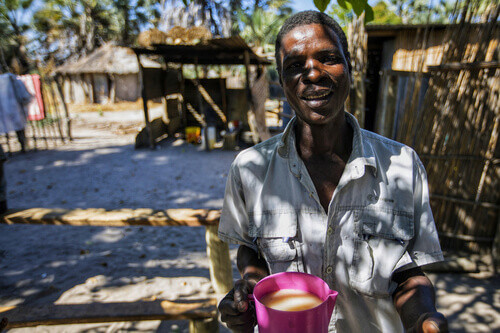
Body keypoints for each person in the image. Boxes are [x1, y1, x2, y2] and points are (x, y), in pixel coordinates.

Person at [217, 10, 448, 333]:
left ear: (351, 70)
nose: (313, 73)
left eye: (328, 58)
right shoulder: (249, 169)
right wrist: (250, 290)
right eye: (295, 65)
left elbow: (408, 273)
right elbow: (250, 249)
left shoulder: (403, 165)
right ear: (282, 81)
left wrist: (422, 319)